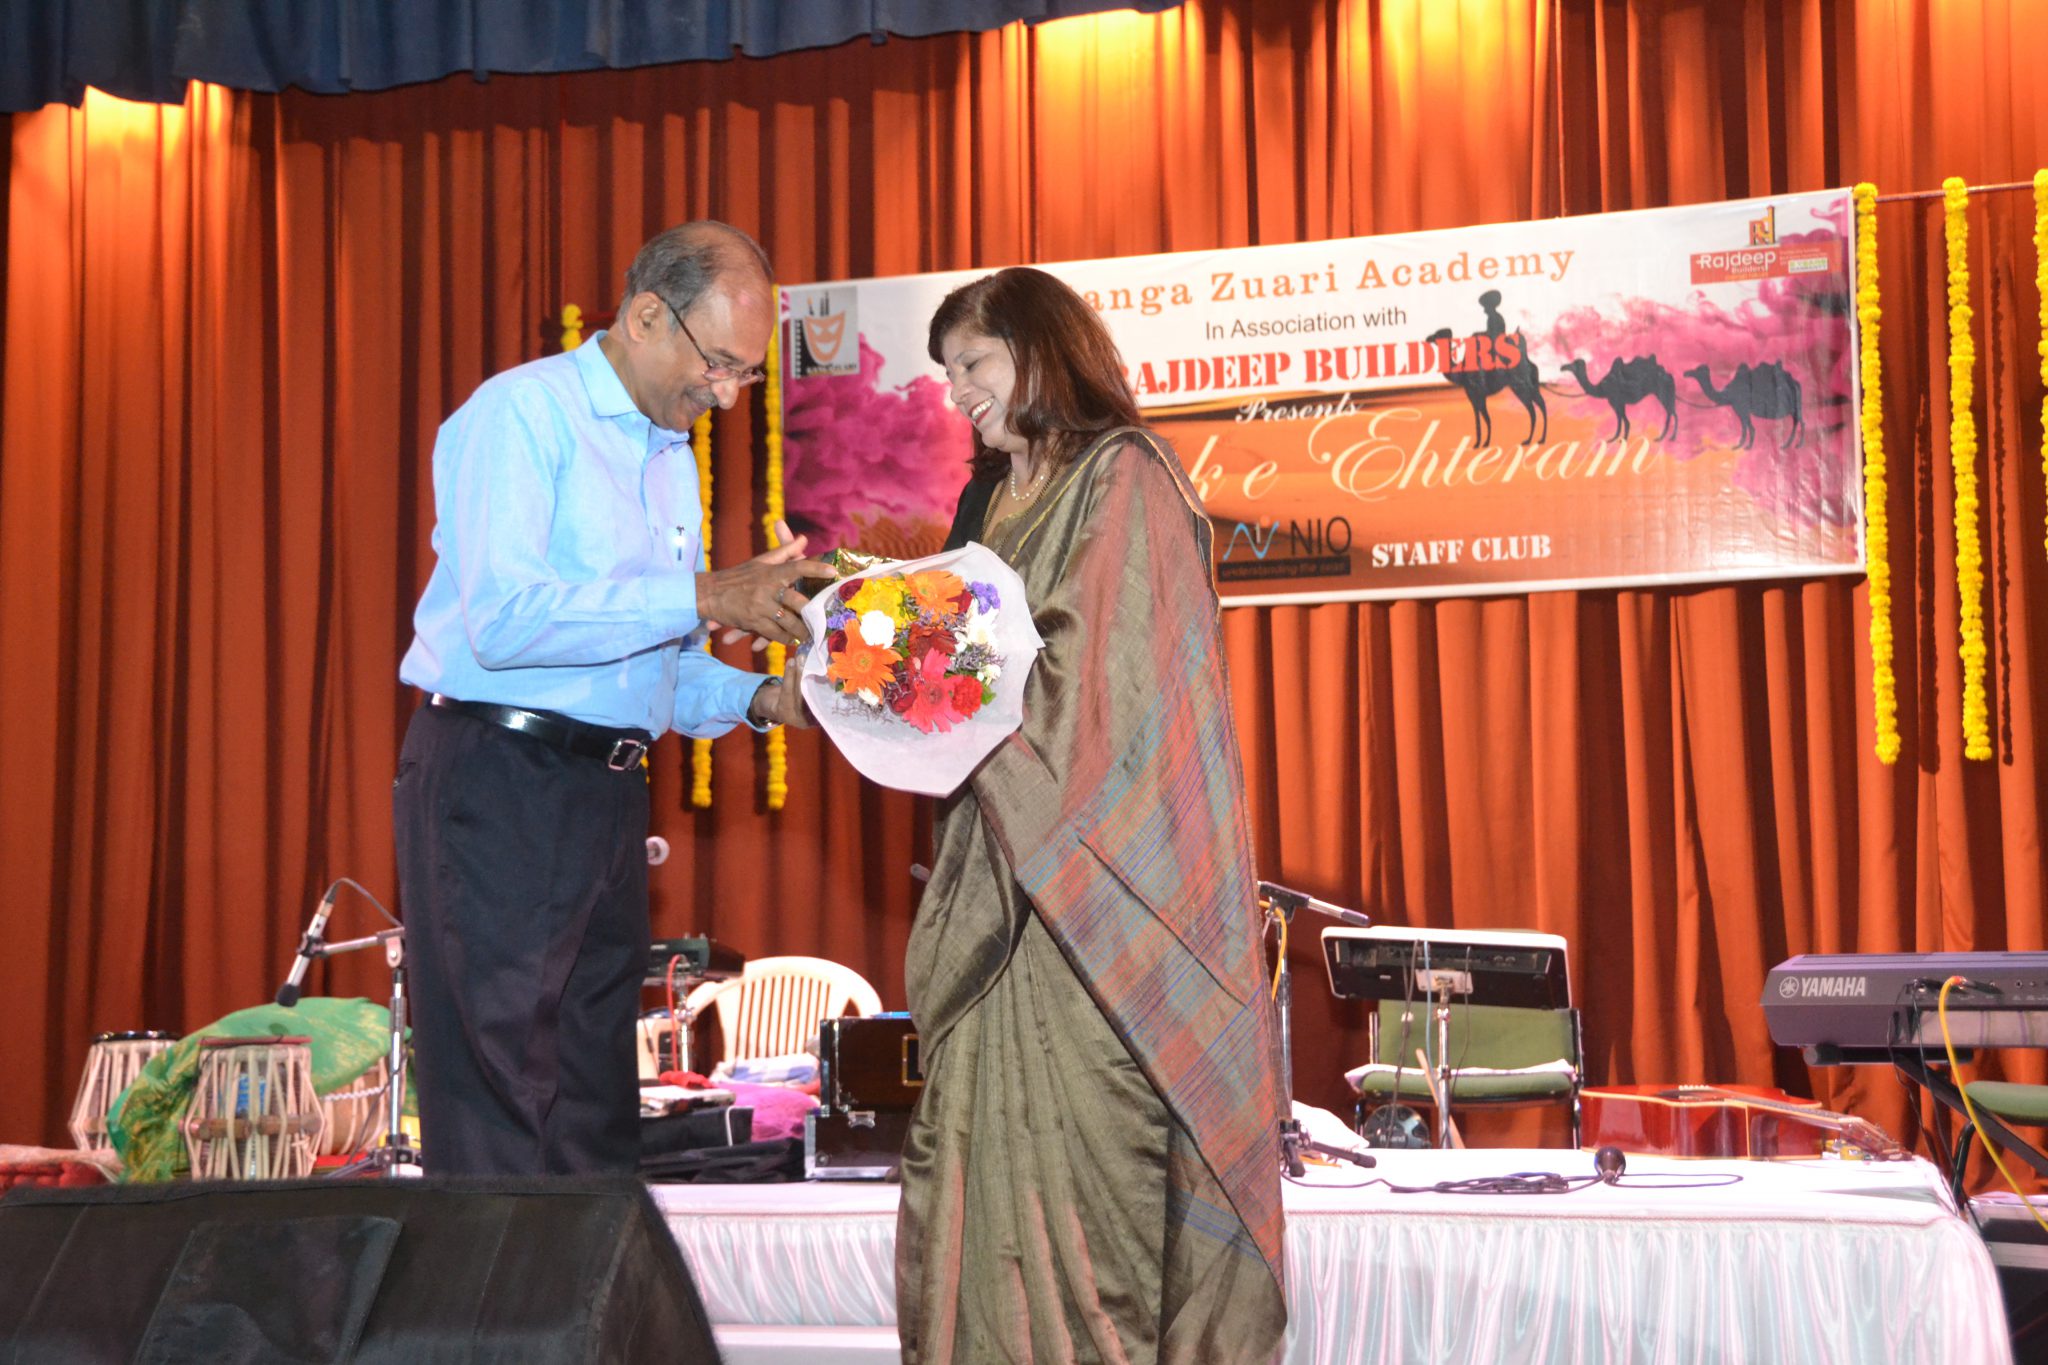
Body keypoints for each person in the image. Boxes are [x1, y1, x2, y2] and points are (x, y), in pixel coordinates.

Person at [902, 266, 1287, 1363]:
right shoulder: (982, 504)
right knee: (974, 1169)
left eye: (971, 363)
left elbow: (1098, 698)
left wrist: (923, 678)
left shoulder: (1125, 478)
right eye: (946, 374)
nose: (956, 393)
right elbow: (960, 664)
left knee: (1091, 1197)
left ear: (1039, 351)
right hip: (993, 883)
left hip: (1096, 903)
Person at [392, 221, 826, 1177]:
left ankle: (581, 1281)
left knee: (594, 1107)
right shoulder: (522, 415)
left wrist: (771, 698)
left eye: (746, 375)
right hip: (499, 779)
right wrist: (707, 594)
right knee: (505, 1101)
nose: (726, 394)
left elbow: (653, 670)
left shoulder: (669, 458)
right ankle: (496, 1283)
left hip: (608, 792)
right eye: (719, 364)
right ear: (645, 316)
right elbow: (505, 622)